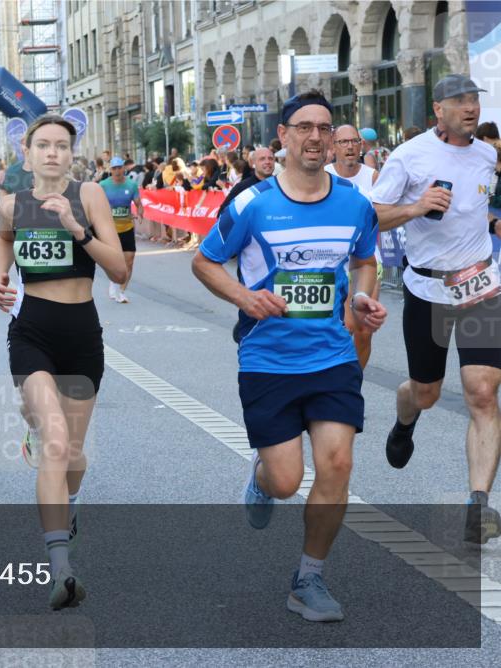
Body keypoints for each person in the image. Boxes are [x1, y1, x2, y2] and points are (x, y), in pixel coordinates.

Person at [192, 90, 386, 622]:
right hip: (268, 360)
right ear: (283, 137)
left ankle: (309, 578)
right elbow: (206, 263)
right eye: (304, 127)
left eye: (325, 128)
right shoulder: (252, 204)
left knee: (337, 463)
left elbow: (364, 260)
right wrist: (245, 297)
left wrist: (362, 296)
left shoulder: (354, 203)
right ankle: (261, 478)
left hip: (332, 355)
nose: (317, 137)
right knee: (284, 480)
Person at [0, 114, 126, 610]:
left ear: (72, 154)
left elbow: (120, 269)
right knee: (56, 442)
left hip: (83, 335)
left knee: (73, 454)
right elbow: (2, 242)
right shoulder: (11, 205)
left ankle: (69, 501)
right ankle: (61, 568)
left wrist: (75, 229)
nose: (51, 153)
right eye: (42, 145)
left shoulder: (89, 196)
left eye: (61, 146)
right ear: (26, 154)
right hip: (32, 332)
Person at [371, 74, 501, 544]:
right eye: (460, 101)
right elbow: (374, 213)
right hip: (427, 291)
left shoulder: (489, 155)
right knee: (425, 391)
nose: (470, 108)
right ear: (438, 109)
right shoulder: (410, 156)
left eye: (474, 100)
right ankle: (405, 421)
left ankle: (479, 505)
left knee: (482, 391)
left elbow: (481, 210)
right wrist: (417, 206)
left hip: (482, 286)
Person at [323, 125, 382, 369]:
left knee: (363, 329)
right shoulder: (323, 175)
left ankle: (353, 382)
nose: (349, 147)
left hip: (367, 261)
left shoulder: (372, 177)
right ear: (333, 146)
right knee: (340, 328)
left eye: (354, 141)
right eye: (344, 142)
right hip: (330, 262)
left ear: (361, 145)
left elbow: (385, 214)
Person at [100, 156, 143, 303]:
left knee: (129, 261)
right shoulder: (103, 185)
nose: (117, 171)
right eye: (114, 168)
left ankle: (122, 291)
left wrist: (140, 212)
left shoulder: (131, 185)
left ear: (124, 168)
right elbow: (96, 204)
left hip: (127, 227)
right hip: (110, 229)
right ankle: (114, 281)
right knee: (113, 260)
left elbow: (138, 202)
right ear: (110, 170)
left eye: (119, 168)